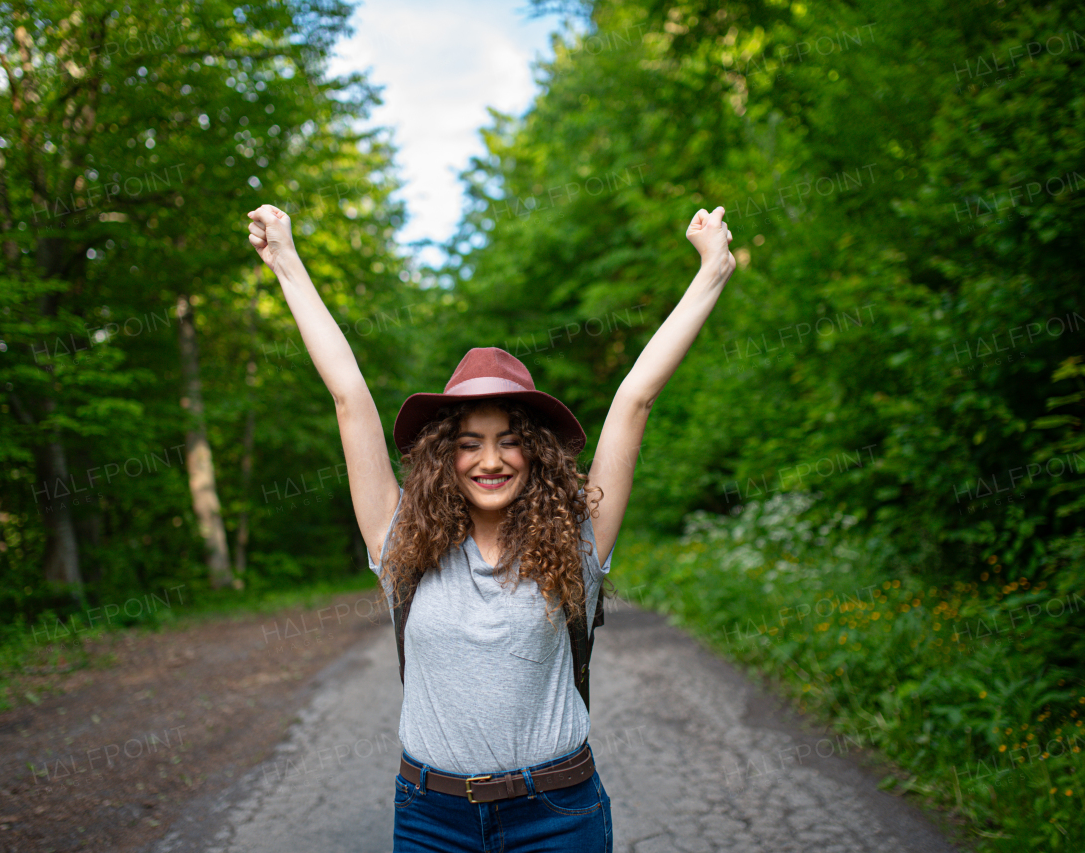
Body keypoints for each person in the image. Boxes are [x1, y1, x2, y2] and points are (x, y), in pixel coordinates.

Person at [246, 200, 736, 852]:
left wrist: (712, 271)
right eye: (469, 441)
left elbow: (635, 399)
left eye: (510, 440)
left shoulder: (576, 538)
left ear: (535, 449)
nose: (490, 459)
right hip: (430, 819)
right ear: (443, 453)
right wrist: (286, 260)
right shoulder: (400, 544)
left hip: (557, 815)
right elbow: (348, 396)